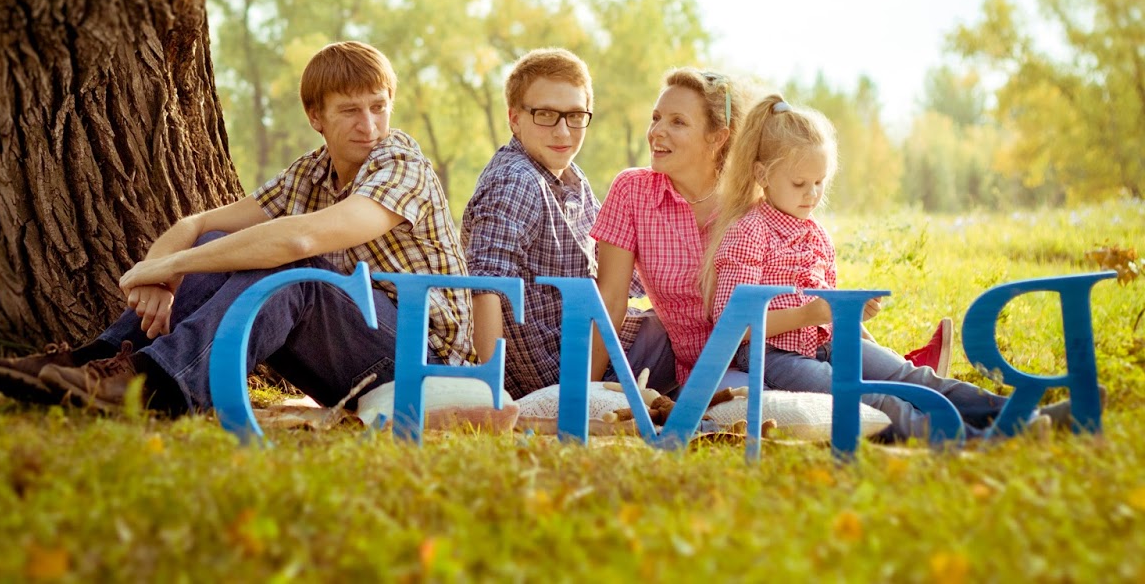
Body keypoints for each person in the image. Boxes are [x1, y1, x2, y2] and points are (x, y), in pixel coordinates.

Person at [0, 41, 474, 414]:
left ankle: (160, 388)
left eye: (378, 106)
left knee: (294, 265)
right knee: (222, 245)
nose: (368, 125)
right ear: (315, 116)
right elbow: (200, 224)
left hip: (419, 364)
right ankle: (100, 359)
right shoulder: (312, 171)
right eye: (349, 111)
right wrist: (158, 272)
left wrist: (174, 266)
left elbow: (300, 239)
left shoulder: (400, 163)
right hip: (356, 355)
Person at [702, 95, 1082, 441]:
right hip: (774, 356)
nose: (812, 194)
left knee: (911, 376)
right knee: (871, 397)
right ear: (763, 175)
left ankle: (1021, 416)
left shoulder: (816, 234)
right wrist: (810, 313)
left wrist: (852, 318)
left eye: (820, 182)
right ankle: (968, 440)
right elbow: (733, 324)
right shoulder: (748, 233)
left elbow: (827, 307)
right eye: (800, 182)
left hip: (827, 341)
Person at [463, 48, 675, 398]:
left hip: (584, 346)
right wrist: (491, 394)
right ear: (515, 118)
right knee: (691, 333)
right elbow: (485, 286)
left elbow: (620, 272)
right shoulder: (518, 180)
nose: (563, 131)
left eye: (575, 115)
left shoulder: (570, 180)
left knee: (682, 318)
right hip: (559, 371)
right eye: (546, 114)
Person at [588, 68, 743, 391]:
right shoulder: (632, 192)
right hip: (710, 372)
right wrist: (582, 397)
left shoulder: (749, 197)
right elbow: (611, 300)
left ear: (717, 137)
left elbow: (801, 274)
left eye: (677, 122)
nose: (657, 131)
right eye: (656, 118)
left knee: (868, 373)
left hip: (781, 349)